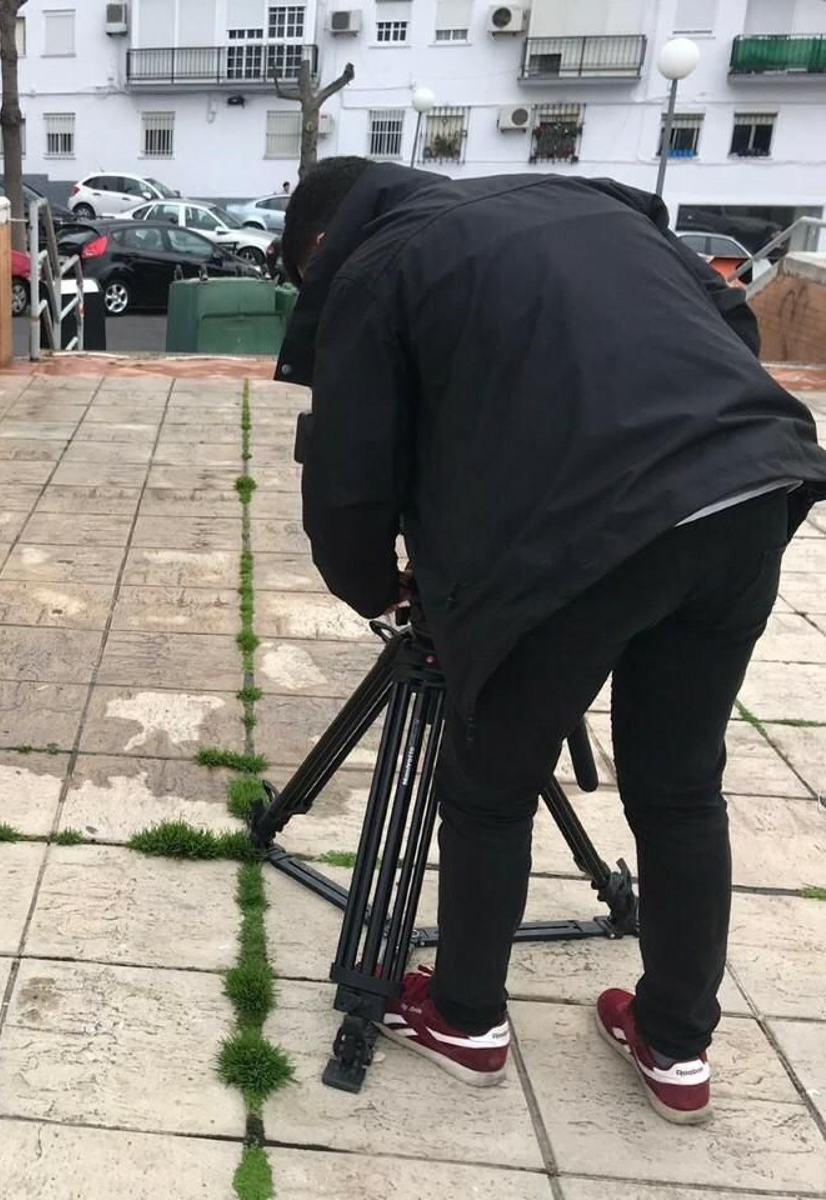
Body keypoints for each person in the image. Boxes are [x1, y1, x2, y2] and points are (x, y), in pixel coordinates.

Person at [277, 157, 826, 1124]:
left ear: (322, 241)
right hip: (753, 487)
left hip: (581, 536)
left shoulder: (378, 264)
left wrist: (383, 592)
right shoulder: (583, 198)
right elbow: (729, 320)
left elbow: (351, 478)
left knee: (490, 788)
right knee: (681, 784)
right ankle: (677, 1044)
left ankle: (464, 1017)